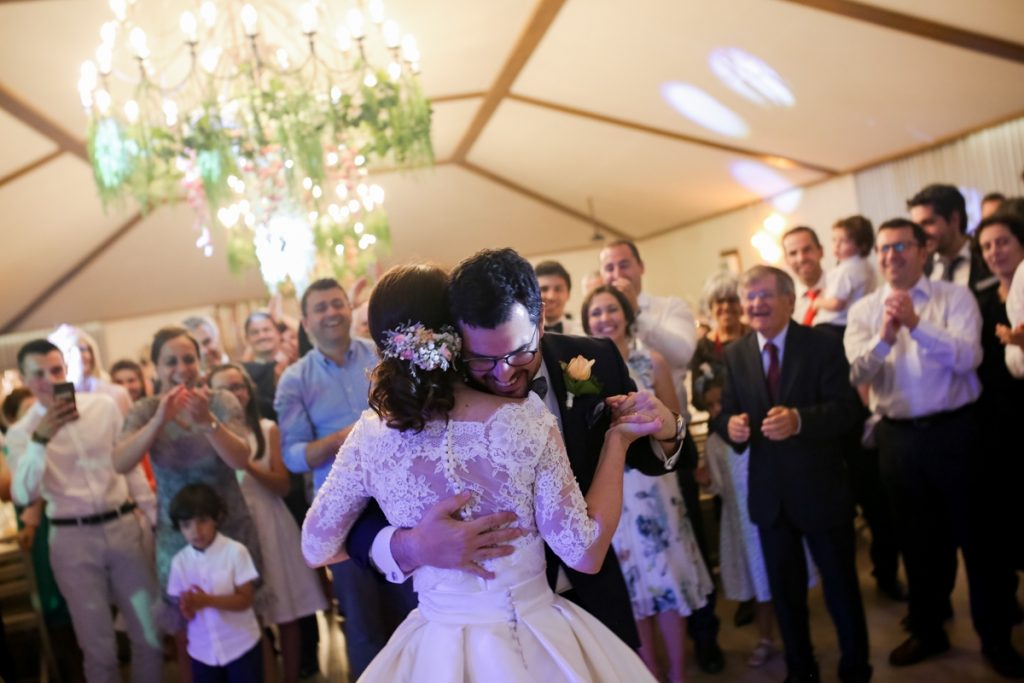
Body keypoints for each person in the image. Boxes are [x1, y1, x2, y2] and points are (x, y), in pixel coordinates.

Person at [302, 263, 665, 682]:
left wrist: (405, 547)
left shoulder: (369, 436)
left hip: (434, 642)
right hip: (532, 633)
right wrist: (617, 442)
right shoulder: (524, 419)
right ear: (459, 332)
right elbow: (584, 552)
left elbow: (315, 547)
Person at [845, 219, 1023, 677]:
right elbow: (858, 374)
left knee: (981, 542)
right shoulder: (864, 310)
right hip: (898, 438)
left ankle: (996, 637)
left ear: (923, 251)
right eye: (884, 249)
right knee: (918, 541)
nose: (891, 256)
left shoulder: (954, 297)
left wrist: (917, 325)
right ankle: (928, 630)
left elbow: (969, 357)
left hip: (958, 432)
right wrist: (885, 338)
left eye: (901, 246)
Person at [712, 266, 871, 683]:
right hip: (770, 496)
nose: (756, 304)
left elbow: (848, 410)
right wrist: (731, 426)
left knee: (841, 590)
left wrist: (800, 421)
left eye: (765, 295)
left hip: (821, 490)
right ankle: (802, 670)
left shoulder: (822, 344)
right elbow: (724, 413)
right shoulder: (736, 353)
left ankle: (856, 668)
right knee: (786, 596)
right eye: (750, 297)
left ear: (789, 300)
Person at [275, 278, 413, 680]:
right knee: (364, 624)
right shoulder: (295, 379)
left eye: (337, 304)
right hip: (344, 516)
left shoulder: (380, 354)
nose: (331, 313)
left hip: (401, 501)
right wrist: (351, 437)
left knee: (415, 611)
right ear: (305, 323)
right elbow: (293, 456)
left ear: (350, 310)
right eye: (320, 308)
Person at [598, 239, 724, 673]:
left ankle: (689, 660)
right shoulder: (583, 366)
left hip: (660, 475)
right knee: (632, 585)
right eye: (595, 312)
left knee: (670, 571)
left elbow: (676, 418)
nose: (605, 317)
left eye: (612, 309)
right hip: (612, 484)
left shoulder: (659, 336)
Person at [7, 339, 163, 683]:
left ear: (67, 370)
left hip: (122, 524)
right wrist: (40, 440)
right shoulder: (22, 433)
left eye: (56, 370)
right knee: (98, 649)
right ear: (25, 378)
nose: (49, 380)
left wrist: (153, 516)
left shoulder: (103, 407)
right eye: (39, 374)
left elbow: (129, 466)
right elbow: (23, 493)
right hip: (71, 538)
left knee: (149, 633)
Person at [113, 326, 265, 676]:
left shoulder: (220, 402)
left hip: (229, 528)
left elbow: (240, 459)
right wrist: (158, 421)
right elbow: (120, 462)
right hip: (178, 537)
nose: (181, 368)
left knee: (246, 628)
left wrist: (207, 421)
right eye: (171, 361)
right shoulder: (145, 409)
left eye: (188, 359)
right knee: (188, 630)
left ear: (200, 362)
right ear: (155, 367)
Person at [209, 363, 327, 683]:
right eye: (225, 388)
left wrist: (245, 464)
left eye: (238, 386)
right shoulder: (210, 434)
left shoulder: (266, 428)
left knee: (286, 608)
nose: (234, 394)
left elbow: (282, 485)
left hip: (269, 519)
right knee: (251, 616)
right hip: (233, 526)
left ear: (248, 390)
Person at [168, 483, 264, 682]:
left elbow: (245, 600)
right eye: (186, 525)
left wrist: (207, 601)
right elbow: (185, 610)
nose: (195, 531)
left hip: (240, 645)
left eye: (202, 521)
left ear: (216, 518)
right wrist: (187, 607)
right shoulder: (179, 562)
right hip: (202, 650)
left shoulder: (235, 552)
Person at [974, 214, 1024, 570]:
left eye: (1003, 241)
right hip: (999, 423)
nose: (995, 251)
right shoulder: (983, 304)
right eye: (987, 246)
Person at [907, 184, 994, 290]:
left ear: (954, 219)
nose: (920, 233)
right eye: (917, 226)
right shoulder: (919, 267)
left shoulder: (989, 256)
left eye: (928, 223)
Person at [690, 271, 748, 411]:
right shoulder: (702, 348)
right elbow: (697, 399)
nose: (726, 307)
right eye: (720, 301)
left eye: (732, 300)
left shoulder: (756, 337)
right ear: (711, 307)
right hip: (721, 419)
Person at [813, 215, 876, 336]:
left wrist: (817, 302)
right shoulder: (867, 266)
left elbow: (836, 303)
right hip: (856, 323)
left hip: (834, 324)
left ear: (862, 245)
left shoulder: (846, 270)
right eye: (834, 240)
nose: (837, 245)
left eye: (844, 241)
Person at [49, 324, 133, 415]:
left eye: (83, 349)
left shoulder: (117, 393)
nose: (79, 356)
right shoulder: (54, 400)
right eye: (70, 351)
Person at [241, 310, 289, 421]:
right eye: (255, 332)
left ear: (278, 333)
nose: (262, 336)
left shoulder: (294, 364)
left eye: (266, 330)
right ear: (247, 339)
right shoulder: (243, 374)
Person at [782, 226, 827, 327]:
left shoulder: (844, 289)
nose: (801, 258)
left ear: (820, 251)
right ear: (786, 259)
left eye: (807, 250)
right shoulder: (784, 302)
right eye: (793, 253)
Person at [535, 259, 580, 334]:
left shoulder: (582, 333)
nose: (551, 297)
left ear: (568, 294)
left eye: (558, 289)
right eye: (544, 289)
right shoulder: (522, 334)